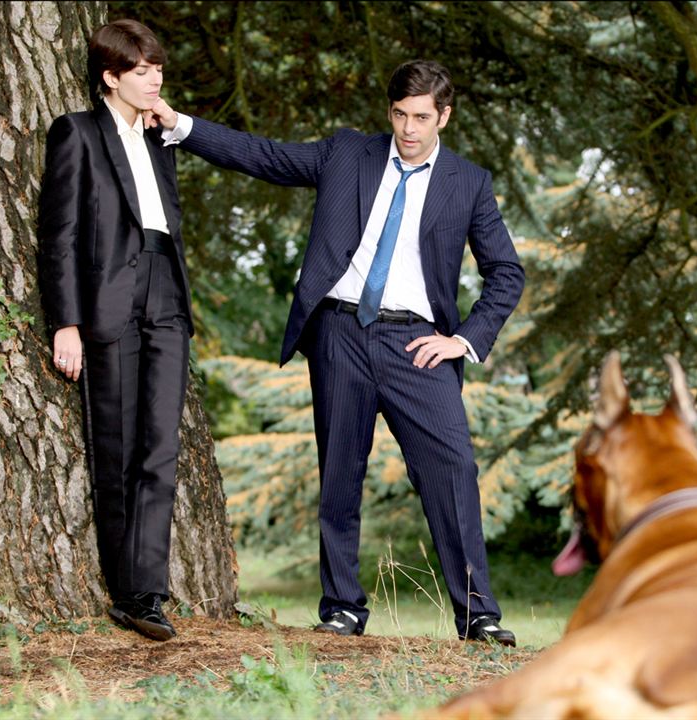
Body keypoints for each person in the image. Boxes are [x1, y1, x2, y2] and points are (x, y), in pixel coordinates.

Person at [152, 60, 524, 645]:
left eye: (422, 117)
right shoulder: (349, 154)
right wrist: (181, 124)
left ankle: (478, 613)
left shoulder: (469, 182)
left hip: (419, 346)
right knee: (340, 473)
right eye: (400, 114)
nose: (409, 128)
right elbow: (266, 156)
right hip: (340, 334)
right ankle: (343, 606)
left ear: (444, 117)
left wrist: (464, 339)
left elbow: (506, 272)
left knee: (453, 470)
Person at [36, 19, 194, 642]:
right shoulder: (76, 132)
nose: (154, 78)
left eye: (158, 69)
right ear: (111, 77)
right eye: (141, 71)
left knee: (160, 449)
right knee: (118, 448)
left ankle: (147, 590)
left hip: (166, 295)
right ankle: (129, 592)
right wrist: (66, 322)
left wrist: (167, 117)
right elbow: (61, 235)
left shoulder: (160, 139)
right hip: (107, 301)